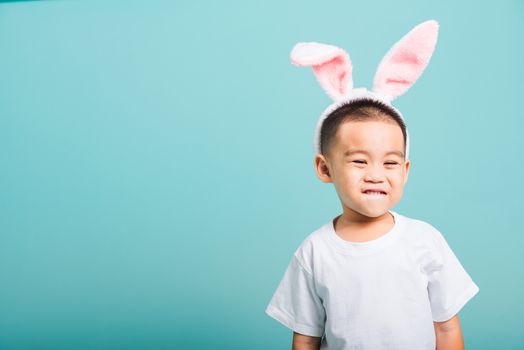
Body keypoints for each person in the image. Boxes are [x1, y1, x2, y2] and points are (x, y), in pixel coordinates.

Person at [265, 20, 479, 350]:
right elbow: (305, 338)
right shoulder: (314, 253)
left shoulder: (424, 241)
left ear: (405, 171)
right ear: (325, 168)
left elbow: (447, 330)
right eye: (359, 161)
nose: (376, 174)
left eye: (390, 162)